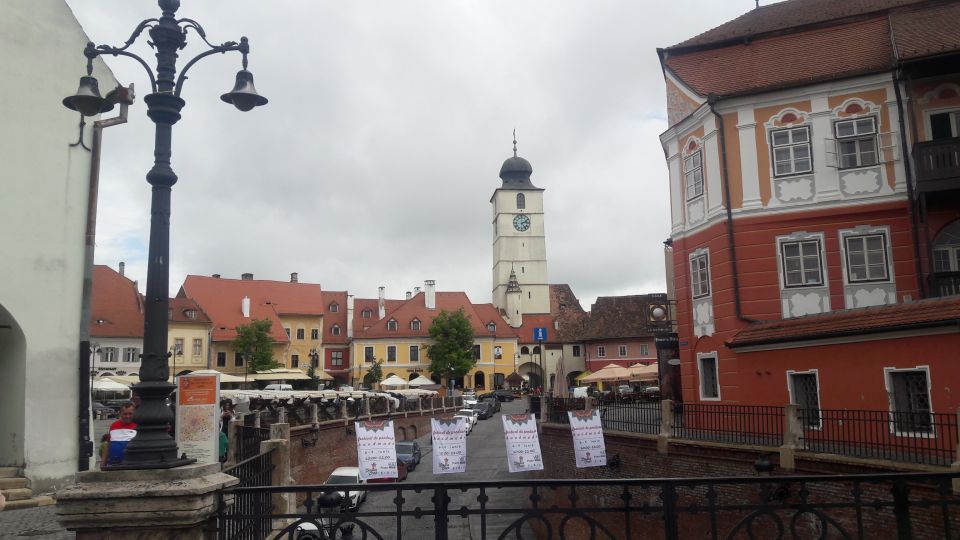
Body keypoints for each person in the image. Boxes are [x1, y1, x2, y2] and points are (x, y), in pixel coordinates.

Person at [102, 402, 137, 466]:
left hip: (132, 466)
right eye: (125, 414)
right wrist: (103, 464)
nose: (127, 416)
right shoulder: (114, 425)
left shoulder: (139, 426)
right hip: (113, 465)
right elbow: (108, 445)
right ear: (120, 413)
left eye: (130, 414)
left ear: (135, 413)